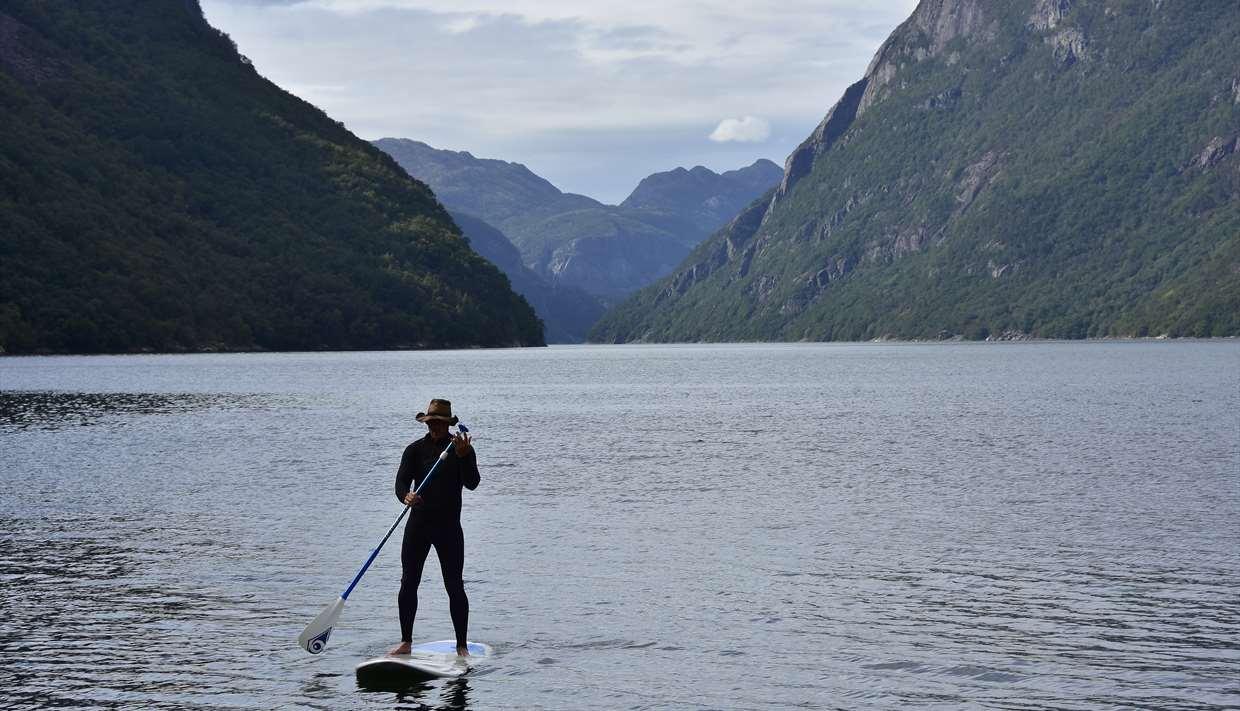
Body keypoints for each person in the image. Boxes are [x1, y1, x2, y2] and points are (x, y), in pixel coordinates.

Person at [389, 398, 479, 657]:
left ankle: (461, 646)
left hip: (449, 528)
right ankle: (406, 641)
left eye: (439, 423)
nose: (435, 427)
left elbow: (472, 483)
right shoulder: (414, 450)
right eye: (431, 423)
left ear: (448, 424)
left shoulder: (460, 449)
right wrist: (406, 495)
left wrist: (464, 458)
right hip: (418, 525)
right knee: (408, 582)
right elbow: (401, 482)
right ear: (426, 423)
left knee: (454, 585)